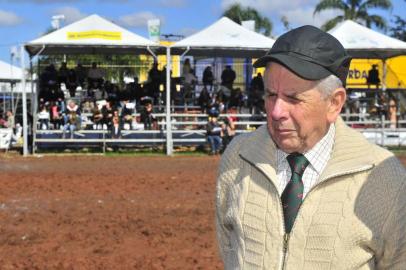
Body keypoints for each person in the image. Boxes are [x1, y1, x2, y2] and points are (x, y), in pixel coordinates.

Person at [216, 25, 406, 269]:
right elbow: (230, 248)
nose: (276, 112)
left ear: (334, 103)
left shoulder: (384, 177)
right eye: (271, 94)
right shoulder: (237, 157)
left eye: (293, 98)